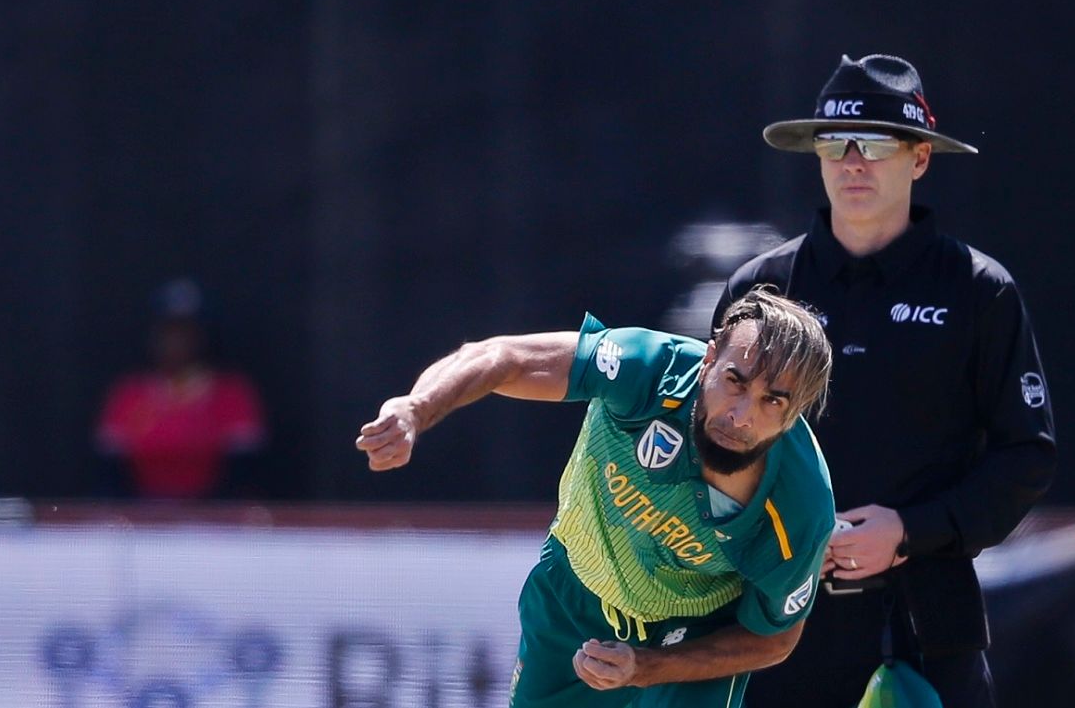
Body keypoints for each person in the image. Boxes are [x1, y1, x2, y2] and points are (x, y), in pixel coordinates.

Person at [715, 54, 1057, 707]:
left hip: (927, 628)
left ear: (920, 158)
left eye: (873, 144)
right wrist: (782, 535)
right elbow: (709, 442)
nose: (852, 162)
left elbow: (1027, 455)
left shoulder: (978, 291)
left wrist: (908, 529)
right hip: (771, 622)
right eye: (834, 144)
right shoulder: (761, 288)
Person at [356, 288, 836, 707]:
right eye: (735, 381)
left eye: (773, 400)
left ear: (796, 413)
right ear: (709, 359)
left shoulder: (801, 509)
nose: (741, 415)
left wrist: (646, 666)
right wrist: (416, 409)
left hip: (697, 633)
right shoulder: (650, 370)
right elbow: (504, 357)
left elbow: (774, 639)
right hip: (575, 594)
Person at [95, 279, 267, 499]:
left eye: (186, 332)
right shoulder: (130, 394)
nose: (177, 342)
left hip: (213, 511)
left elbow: (242, 473)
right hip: (141, 511)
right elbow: (111, 472)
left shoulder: (231, 393)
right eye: (169, 332)